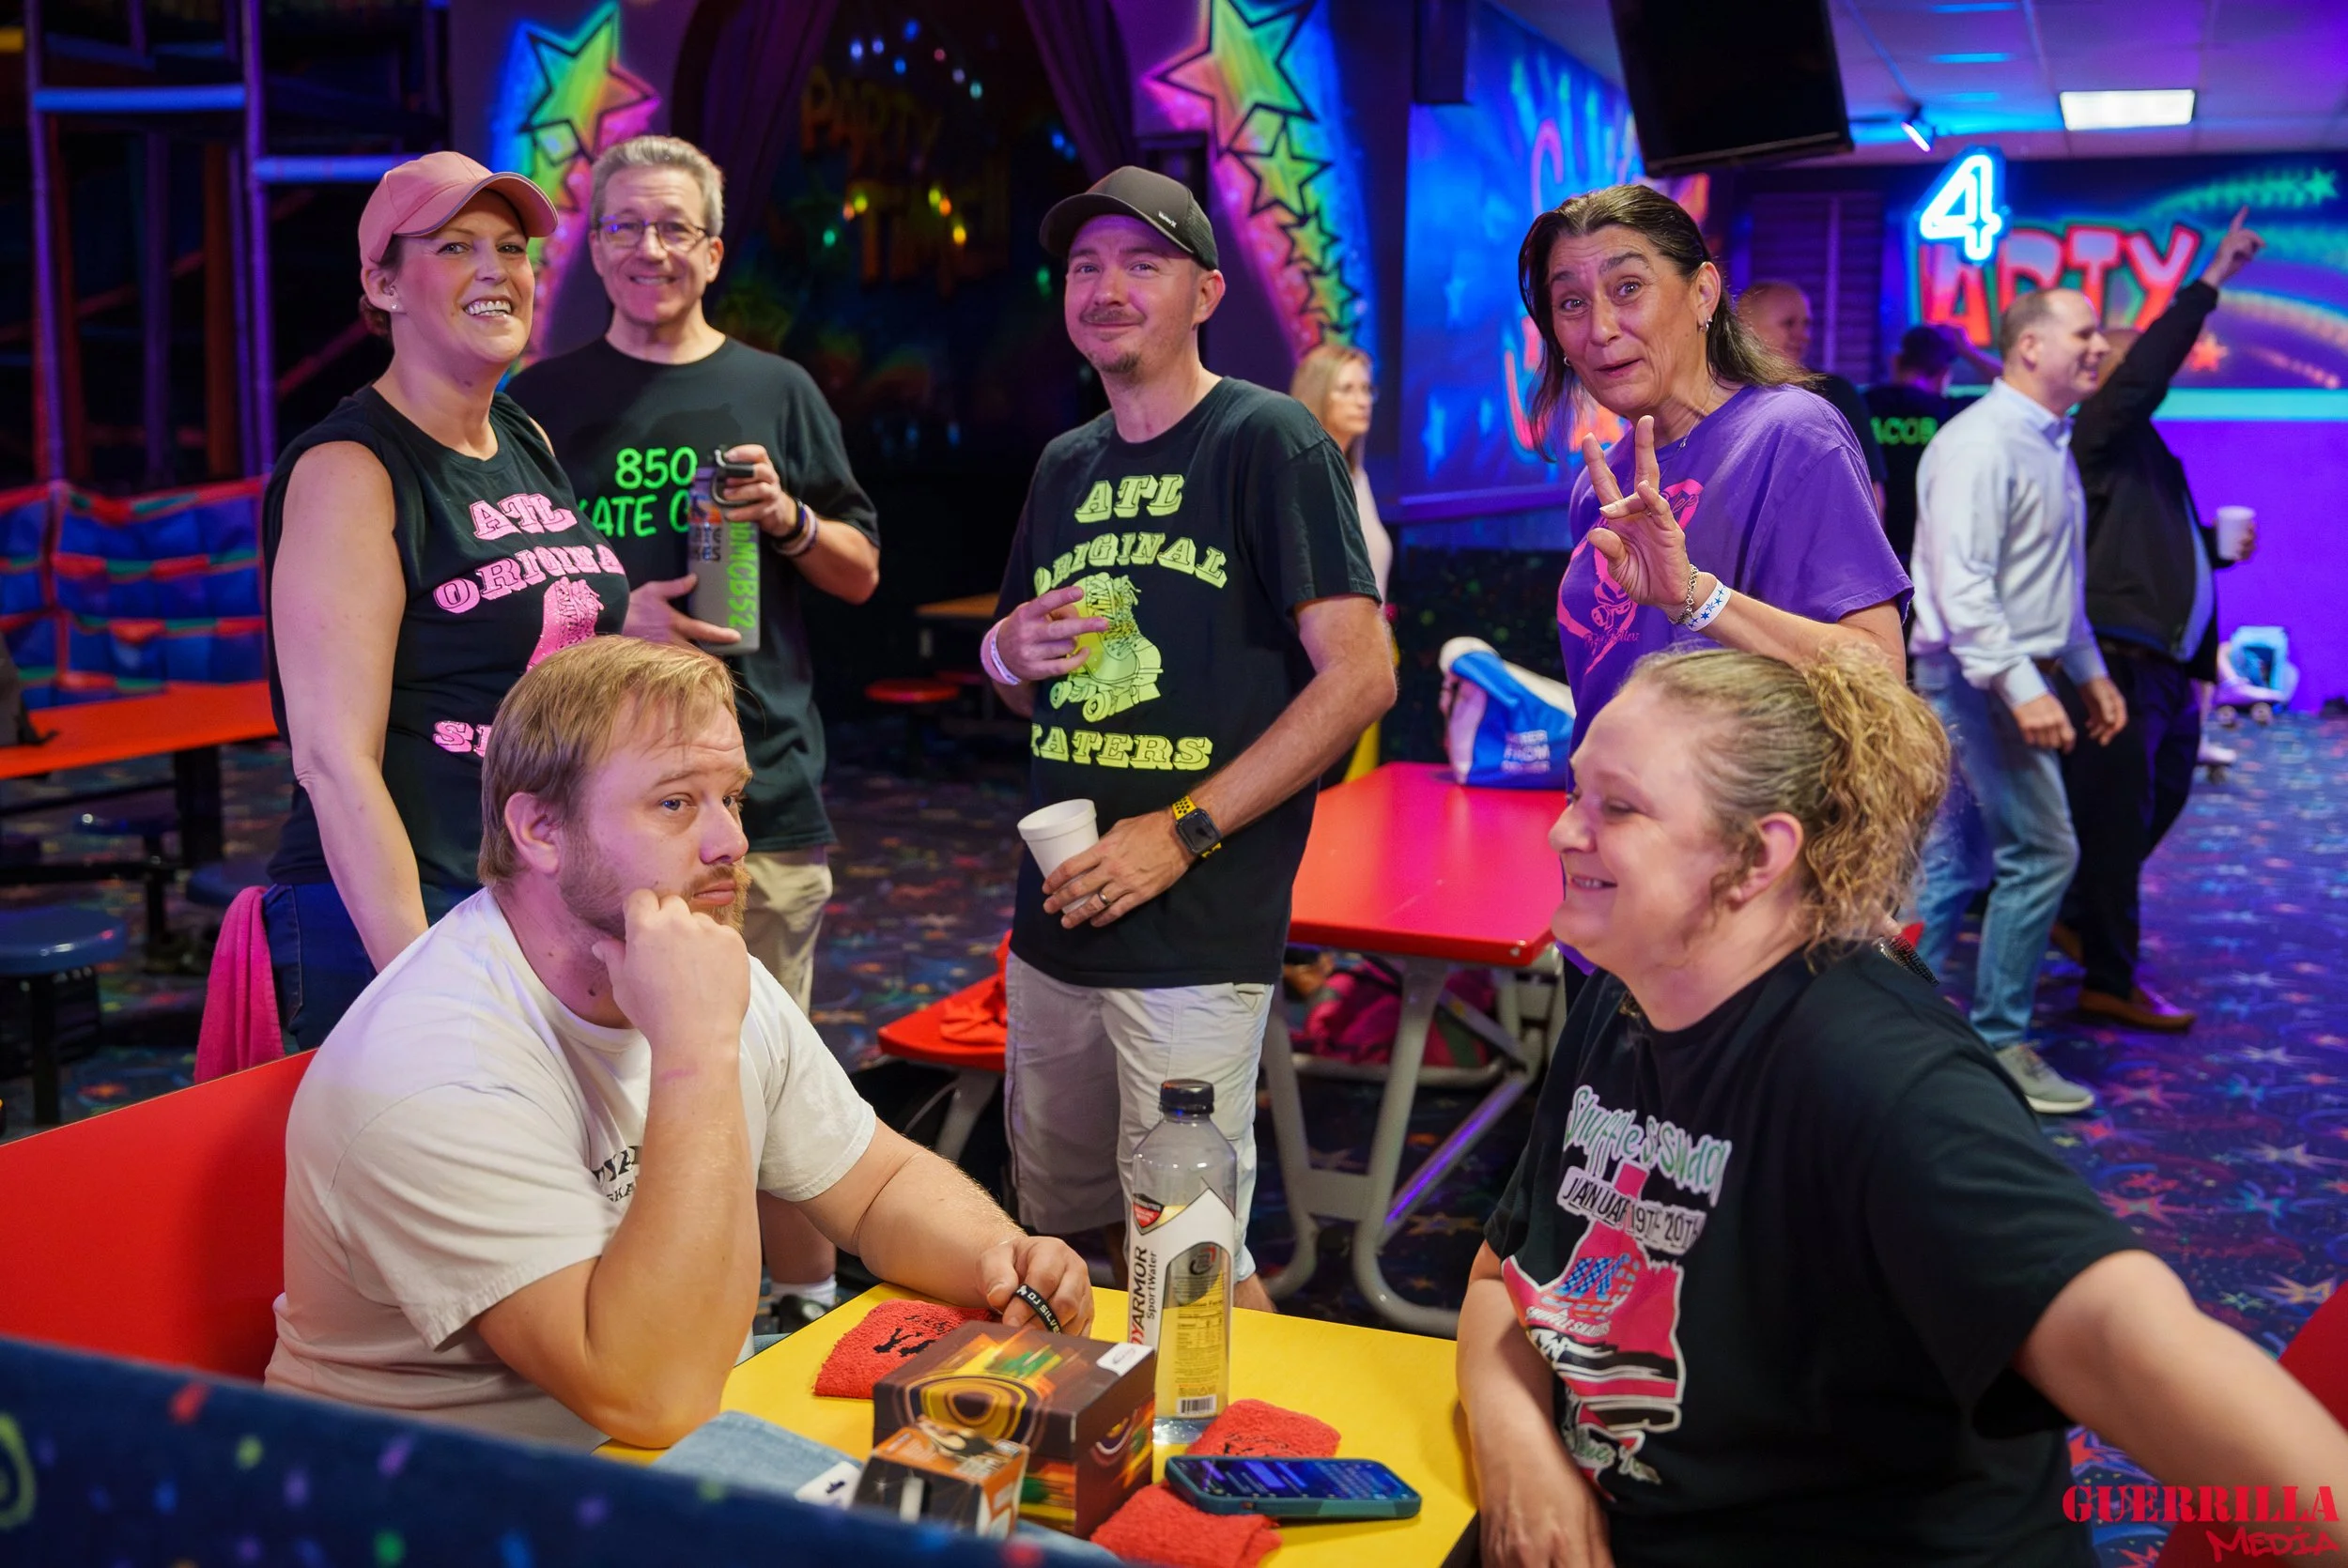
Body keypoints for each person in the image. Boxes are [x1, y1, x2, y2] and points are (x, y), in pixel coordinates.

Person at [1457, 644, 2348, 1568]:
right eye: (1575, 794)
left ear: (1758, 855)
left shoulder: (1879, 1076)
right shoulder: (1627, 995)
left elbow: (2127, 1338)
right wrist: (1515, 1432)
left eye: (1619, 807)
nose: (1564, 832)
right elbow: (1500, 1278)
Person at [268, 638, 1089, 1449]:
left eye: (731, 796)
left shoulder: (678, 946)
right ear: (541, 830)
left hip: (673, 1441)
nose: (730, 841)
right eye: (675, 802)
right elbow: (650, 1396)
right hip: (452, 1499)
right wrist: (695, 1051)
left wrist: (1000, 1257)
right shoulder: (435, 1071)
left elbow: (874, 1187)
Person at [983, 167, 1391, 1312]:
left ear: (1207, 290)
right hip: (1054, 914)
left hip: (1196, 922)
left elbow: (1361, 677)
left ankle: (1230, 1465)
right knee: (1061, 1227)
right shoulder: (1066, 464)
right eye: (1084, 268)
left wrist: (1182, 830)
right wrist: (1006, 655)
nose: (1106, 288)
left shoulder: (1270, 440)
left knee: (1191, 1249)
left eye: (1142, 264)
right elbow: (1023, 681)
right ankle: (1097, 1446)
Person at [507, 134, 880, 1325]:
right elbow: (503, 581)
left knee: (772, 1073)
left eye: (673, 228)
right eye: (623, 227)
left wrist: (785, 518)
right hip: (584, 812)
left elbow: (863, 572)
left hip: (752, 793)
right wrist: (625, 610)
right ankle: (639, 1309)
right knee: (593, 1079)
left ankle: (807, 1298)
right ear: (594, 247)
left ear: (711, 251)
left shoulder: (777, 392)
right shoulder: (537, 405)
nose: (648, 250)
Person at [261, 152, 672, 1050]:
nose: (496, 270)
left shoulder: (519, 432)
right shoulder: (351, 470)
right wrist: (421, 983)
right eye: (455, 246)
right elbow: (331, 762)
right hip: (393, 916)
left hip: (521, 900)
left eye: (511, 247)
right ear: (384, 282)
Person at [1521, 186, 1909, 770]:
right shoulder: (1601, 484)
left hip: (1731, 842)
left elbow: (1878, 673)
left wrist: (1695, 596)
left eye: (1628, 288)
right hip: (1608, 835)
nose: (1600, 328)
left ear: (1703, 293)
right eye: (1571, 303)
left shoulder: (1790, 434)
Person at [1909, 287, 2128, 1115]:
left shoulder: (2044, 439)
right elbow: (1965, 591)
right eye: (2085, 333)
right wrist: (2023, 688)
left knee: (1953, 867)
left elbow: (2047, 587)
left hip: (1995, 673)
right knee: (2043, 853)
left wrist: (2089, 669)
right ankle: (1997, 1042)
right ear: (2030, 347)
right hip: (1974, 677)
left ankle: (1904, 1044)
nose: (2100, 346)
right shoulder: (1983, 443)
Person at [2057, 208, 2265, 1034]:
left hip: (2164, 664)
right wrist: (2210, 280)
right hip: (2117, 658)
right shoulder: (2097, 428)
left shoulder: (2138, 449)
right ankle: (2109, 975)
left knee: (2158, 799)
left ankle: (2082, 915)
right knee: (2114, 822)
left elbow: (2143, 549)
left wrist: (2212, 559)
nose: (2113, 365)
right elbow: (2147, 369)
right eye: (2103, 358)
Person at [1290, 340, 1391, 784]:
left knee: (1355, 802)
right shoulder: (1300, 476)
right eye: (1347, 388)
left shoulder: (1356, 475)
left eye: (1366, 389)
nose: (1362, 400)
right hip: (1318, 669)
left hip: (1369, 660)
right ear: (1318, 393)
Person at [1734, 278, 1890, 515]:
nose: (1803, 335)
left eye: (1806, 324)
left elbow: (1871, 494)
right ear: (1745, 327)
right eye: (1789, 324)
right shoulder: (1719, 394)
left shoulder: (1834, 393)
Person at [1864, 323, 2000, 570]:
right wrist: (1969, 351)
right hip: (1931, 547)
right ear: (1943, 373)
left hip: (1871, 541)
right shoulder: (1949, 412)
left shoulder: (1864, 404)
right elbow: (2011, 388)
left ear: (1897, 362)